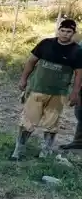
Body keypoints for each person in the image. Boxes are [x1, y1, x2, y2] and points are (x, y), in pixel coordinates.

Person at [12, 18, 82, 159]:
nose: (65, 34)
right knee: (27, 121)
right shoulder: (46, 44)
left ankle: (46, 151)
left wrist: (75, 93)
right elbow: (31, 61)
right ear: (58, 30)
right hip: (37, 90)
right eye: (62, 31)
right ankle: (18, 151)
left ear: (74, 33)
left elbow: (79, 74)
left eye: (69, 32)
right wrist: (23, 79)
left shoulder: (77, 51)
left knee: (52, 124)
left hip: (58, 94)